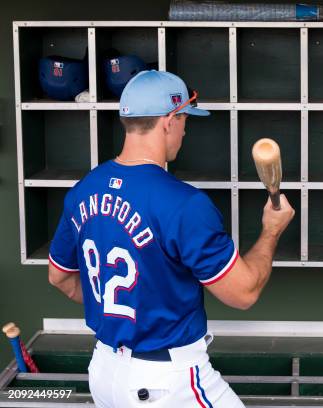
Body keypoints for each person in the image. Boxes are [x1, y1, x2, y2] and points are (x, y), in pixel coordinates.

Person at [47, 70, 295, 407]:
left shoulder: (83, 189)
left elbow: (59, 276)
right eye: (183, 120)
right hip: (166, 382)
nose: (185, 129)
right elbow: (244, 292)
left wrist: (122, 310)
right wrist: (271, 230)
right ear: (168, 121)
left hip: (104, 373)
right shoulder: (183, 203)